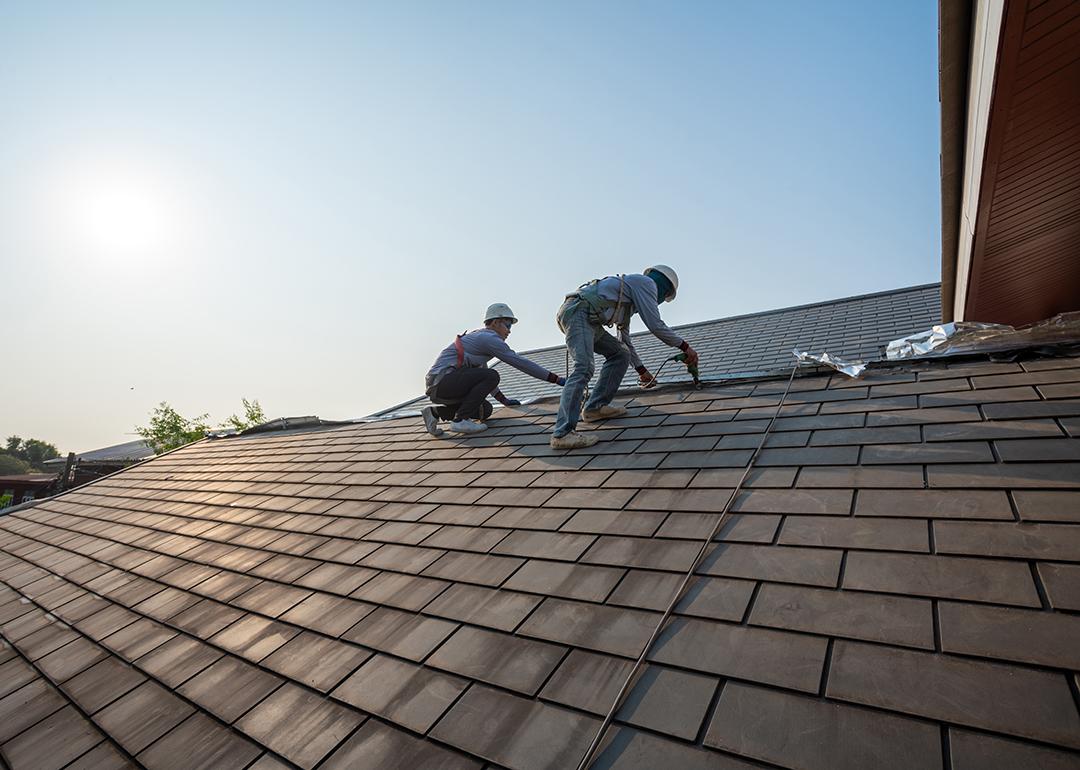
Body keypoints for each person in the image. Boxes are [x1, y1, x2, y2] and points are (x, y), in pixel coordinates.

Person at [550, 265, 699, 449]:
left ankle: (594, 408)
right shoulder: (647, 283)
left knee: (620, 353)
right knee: (584, 367)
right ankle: (562, 433)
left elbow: (624, 340)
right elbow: (655, 325)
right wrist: (686, 347)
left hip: (588, 318)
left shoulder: (627, 300)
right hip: (578, 312)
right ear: (664, 290)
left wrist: (641, 370)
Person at [423, 303, 565, 436]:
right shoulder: (489, 338)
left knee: (484, 410)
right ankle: (460, 421)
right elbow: (520, 363)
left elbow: (480, 373)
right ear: (496, 322)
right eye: (508, 325)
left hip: (444, 386)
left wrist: (504, 400)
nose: (509, 331)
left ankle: (435, 413)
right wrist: (557, 380)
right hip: (441, 383)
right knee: (492, 375)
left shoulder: (479, 339)